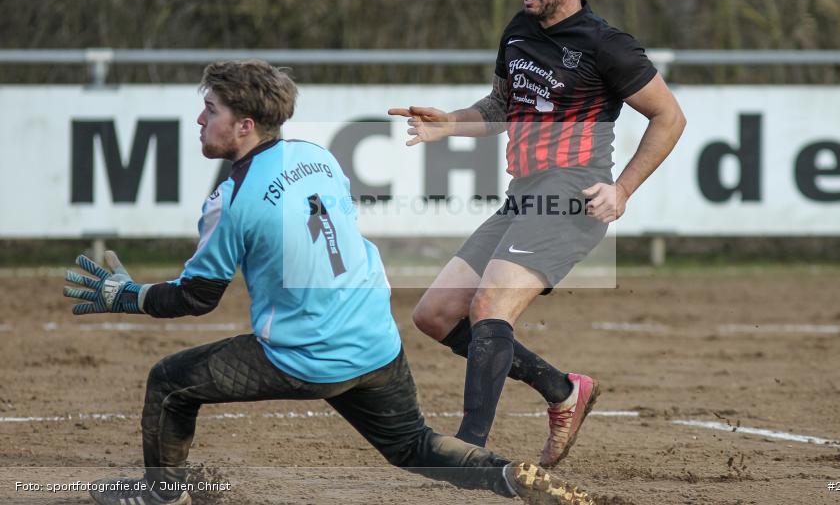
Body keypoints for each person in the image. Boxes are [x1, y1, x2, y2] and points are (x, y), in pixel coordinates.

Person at [63, 60, 598, 505]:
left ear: (245, 124)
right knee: (414, 446)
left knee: (169, 383)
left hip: (307, 354)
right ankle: (508, 476)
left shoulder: (231, 201)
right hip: (374, 340)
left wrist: (124, 295)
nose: (199, 120)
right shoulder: (316, 157)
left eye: (211, 110)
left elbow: (196, 297)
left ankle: (163, 492)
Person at [388, 0, 686, 467]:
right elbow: (502, 105)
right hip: (523, 196)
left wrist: (622, 189)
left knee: (489, 305)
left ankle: (468, 449)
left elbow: (670, 117)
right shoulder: (519, 32)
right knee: (434, 314)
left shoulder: (606, 44)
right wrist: (449, 124)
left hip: (573, 194)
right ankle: (563, 390)